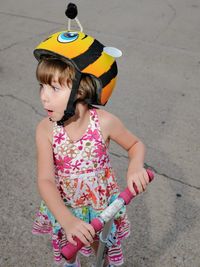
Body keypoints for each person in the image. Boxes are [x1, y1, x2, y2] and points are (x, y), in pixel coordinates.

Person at [32, 5, 150, 267]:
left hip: (100, 206)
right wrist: (67, 219)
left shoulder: (104, 123)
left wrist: (135, 166)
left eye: (53, 88)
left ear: (81, 90)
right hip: (66, 207)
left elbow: (135, 144)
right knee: (69, 251)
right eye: (41, 86)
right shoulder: (46, 129)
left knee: (101, 252)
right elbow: (45, 180)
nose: (43, 96)